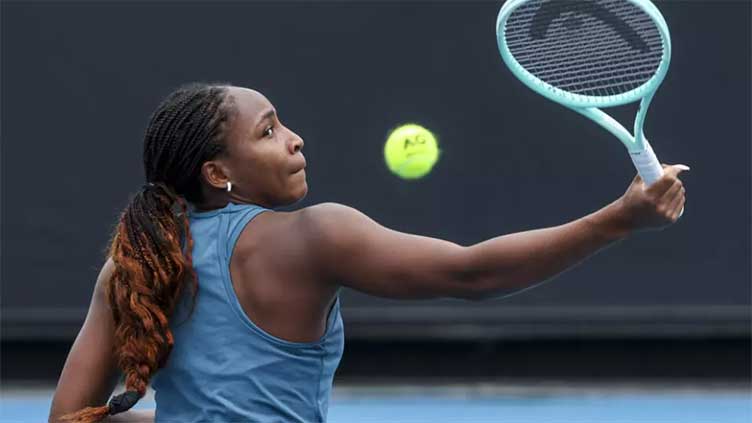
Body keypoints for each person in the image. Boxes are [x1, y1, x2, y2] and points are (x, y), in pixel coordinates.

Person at [48, 83, 687, 423]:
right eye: (268, 130)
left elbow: (69, 420)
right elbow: (475, 273)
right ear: (220, 173)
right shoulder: (314, 235)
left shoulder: (130, 265)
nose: (295, 140)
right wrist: (618, 219)